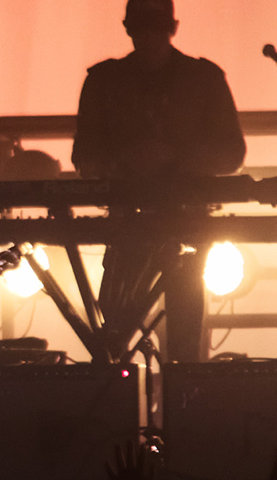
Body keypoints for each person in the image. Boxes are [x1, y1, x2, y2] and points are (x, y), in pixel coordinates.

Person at [72, 0, 246, 363]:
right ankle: (177, 401)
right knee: (128, 334)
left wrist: (162, 159)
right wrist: (133, 160)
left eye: (155, 29)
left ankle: (137, 401)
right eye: (144, 29)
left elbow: (232, 153)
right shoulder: (200, 79)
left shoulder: (107, 81)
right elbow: (84, 158)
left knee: (122, 337)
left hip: (173, 224)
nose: (149, 38)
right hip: (149, 222)